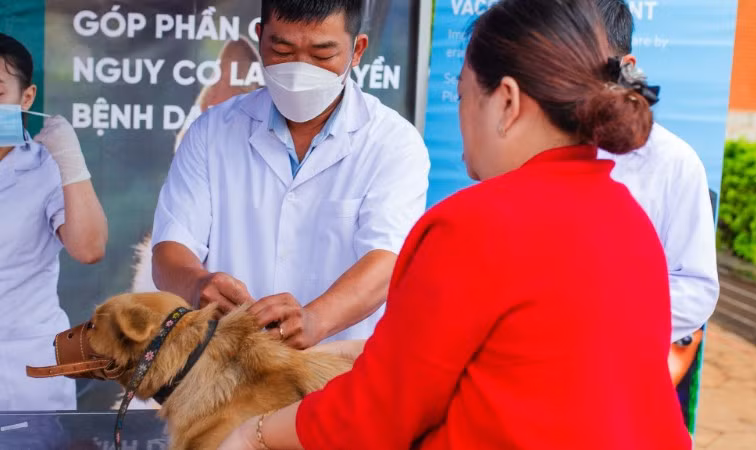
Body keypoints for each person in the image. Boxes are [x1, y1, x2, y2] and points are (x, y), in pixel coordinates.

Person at [219, 0, 691, 448]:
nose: (462, 113)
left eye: (463, 94)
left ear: (506, 101)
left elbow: (373, 417)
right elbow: (502, 360)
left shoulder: (475, 224)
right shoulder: (629, 216)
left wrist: (251, 434)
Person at [151, 0, 430, 349]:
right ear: (260, 37)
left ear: (357, 50)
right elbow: (170, 250)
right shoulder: (211, 132)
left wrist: (315, 319)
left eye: (322, 54)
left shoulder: (393, 142)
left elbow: (387, 260)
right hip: (225, 372)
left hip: (336, 375)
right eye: (282, 50)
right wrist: (195, 284)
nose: (300, 70)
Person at [596, 0, 720, 381]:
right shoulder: (528, 147)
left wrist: (601, 321)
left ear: (624, 67)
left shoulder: (673, 162)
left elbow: (696, 288)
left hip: (623, 374)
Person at [0, 33, 107, 411]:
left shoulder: (46, 166)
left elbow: (90, 248)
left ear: (26, 98)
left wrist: (70, 163)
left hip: (23, 368)